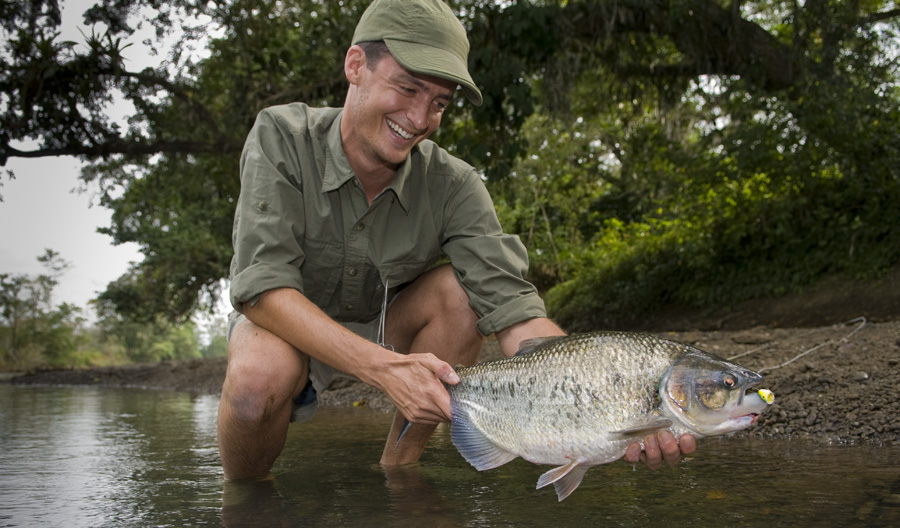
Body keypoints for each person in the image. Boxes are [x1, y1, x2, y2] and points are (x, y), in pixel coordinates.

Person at [217, 0, 696, 481]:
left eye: (440, 103)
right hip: (288, 330)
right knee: (257, 379)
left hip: (391, 329)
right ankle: (247, 498)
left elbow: (514, 313)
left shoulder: (456, 184)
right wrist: (383, 369)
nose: (420, 118)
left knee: (462, 296)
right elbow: (260, 289)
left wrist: (616, 403)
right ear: (356, 65)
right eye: (407, 88)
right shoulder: (280, 134)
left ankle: (398, 477)